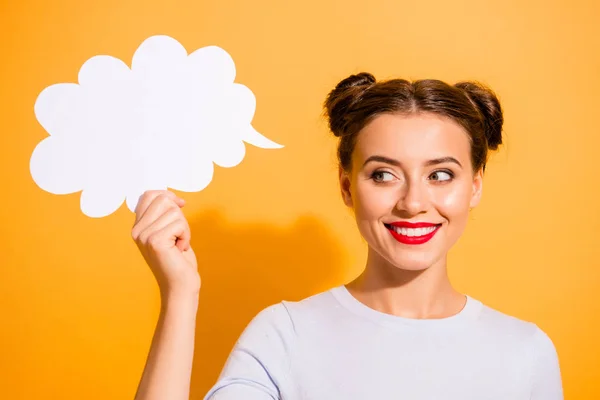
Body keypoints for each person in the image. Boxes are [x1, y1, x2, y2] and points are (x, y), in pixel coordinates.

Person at [131, 72, 564, 400]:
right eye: (383, 174)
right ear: (346, 186)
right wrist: (180, 294)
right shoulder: (285, 335)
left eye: (440, 174)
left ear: (475, 185)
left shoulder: (524, 352)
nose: (413, 201)